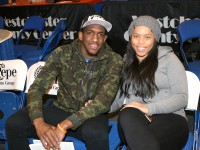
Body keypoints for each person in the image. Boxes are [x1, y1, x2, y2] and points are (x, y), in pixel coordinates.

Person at [6, 14, 123, 150]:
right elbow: (36, 88)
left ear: (105, 38)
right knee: (13, 123)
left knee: (95, 133)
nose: (95, 39)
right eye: (90, 33)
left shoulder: (113, 60)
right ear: (81, 35)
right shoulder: (62, 53)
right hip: (60, 109)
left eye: (100, 34)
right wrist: (39, 123)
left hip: (90, 115)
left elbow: (103, 101)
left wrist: (63, 126)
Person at [109, 15, 189, 150]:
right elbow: (117, 100)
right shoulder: (125, 62)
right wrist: (97, 105)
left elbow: (182, 98)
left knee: (141, 143)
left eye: (147, 37)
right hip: (134, 121)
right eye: (136, 36)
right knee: (127, 112)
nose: (140, 42)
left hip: (171, 119)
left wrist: (148, 108)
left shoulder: (169, 59)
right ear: (130, 37)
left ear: (155, 38)